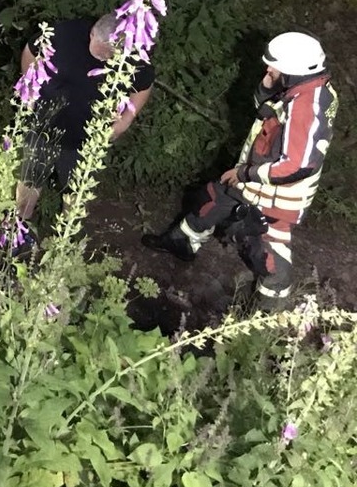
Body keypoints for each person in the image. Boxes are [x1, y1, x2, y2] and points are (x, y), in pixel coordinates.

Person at [142, 32, 337, 312]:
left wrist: (246, 173)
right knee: (212, 198)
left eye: (274, 66)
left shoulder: (306, 106)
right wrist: (267, 87)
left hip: (276, 196)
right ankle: (181, 243)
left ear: (294, 71)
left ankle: (266, 320)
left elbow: (298, 165)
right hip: (255, 177)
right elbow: (267, 113)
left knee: (269, 260)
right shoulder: (306, 88)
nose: (268, 68)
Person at [16, 14, 154, 221]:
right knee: (30, 176)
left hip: (86, 134)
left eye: (111, 56)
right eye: (102, 54)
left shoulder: (130, 53)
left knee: (76, 188)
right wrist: (29, 87)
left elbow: (144, 85)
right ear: (92, 34)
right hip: (44, 122)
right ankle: (19, 225)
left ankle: (66, 237)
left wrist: (124, 121)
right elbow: (30, 50)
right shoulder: (63, 33)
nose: (106, 59)